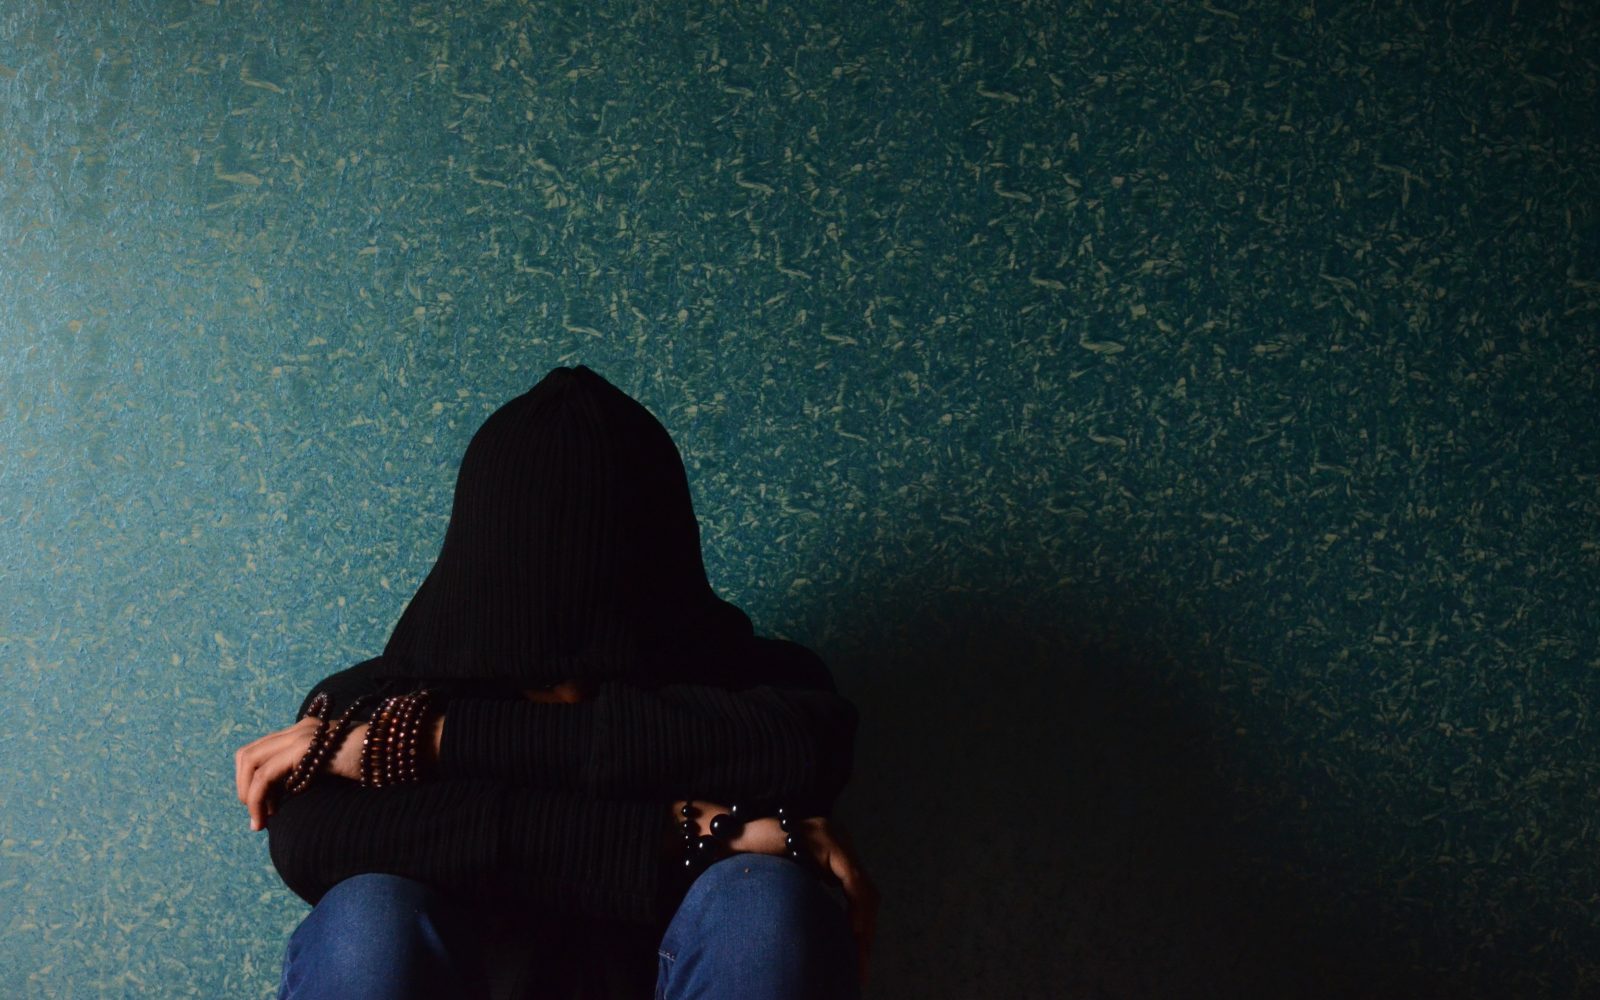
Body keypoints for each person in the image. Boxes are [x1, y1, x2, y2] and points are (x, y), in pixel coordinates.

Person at [232, 366, 876, 999]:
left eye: (605, 662)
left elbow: (808, 750)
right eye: (538, 663)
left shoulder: (767, 691)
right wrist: (686, 829)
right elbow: (311, 844)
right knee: (369, 920)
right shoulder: (368, 704)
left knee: (763, 906)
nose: (571, 688)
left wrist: (430, 741)